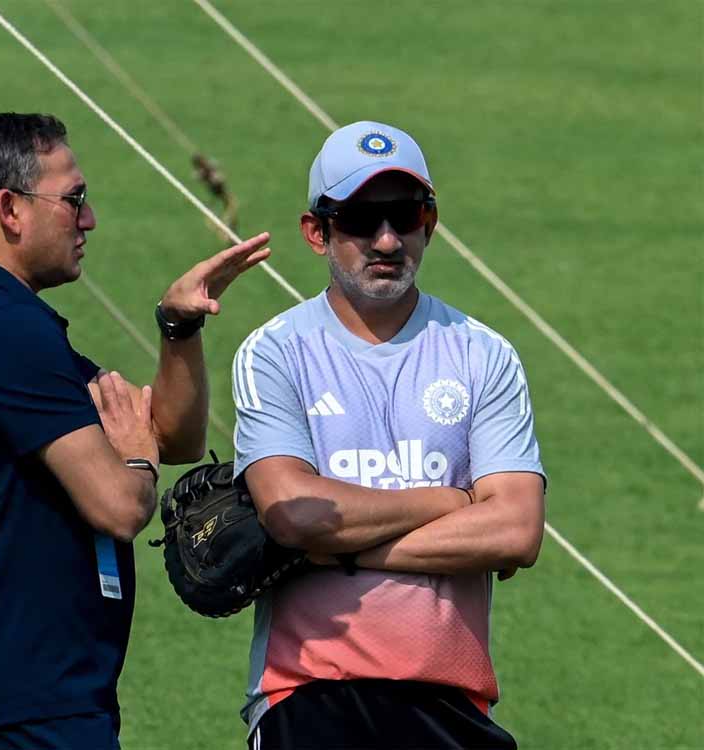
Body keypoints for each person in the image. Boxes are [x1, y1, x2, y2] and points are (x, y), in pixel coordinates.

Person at [0, 112, 270, 750]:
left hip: (28, 691)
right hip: (24, 702)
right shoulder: (2, 330)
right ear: (10, 209)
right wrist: (134, 465)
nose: (90, 220)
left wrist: (179, 327)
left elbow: (170, 437)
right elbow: (120, 505)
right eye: (74, 199)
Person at [232, 121, 546, 749]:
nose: (385, 240)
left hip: (451, 699)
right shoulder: (274, 353)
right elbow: (294, 515)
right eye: (359, 219)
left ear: (429, 223)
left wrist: (338, 549)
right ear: (317, 232)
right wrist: (452, 502)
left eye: (404, 215)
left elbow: (515, 530)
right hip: (308, 695)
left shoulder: (484, 354)